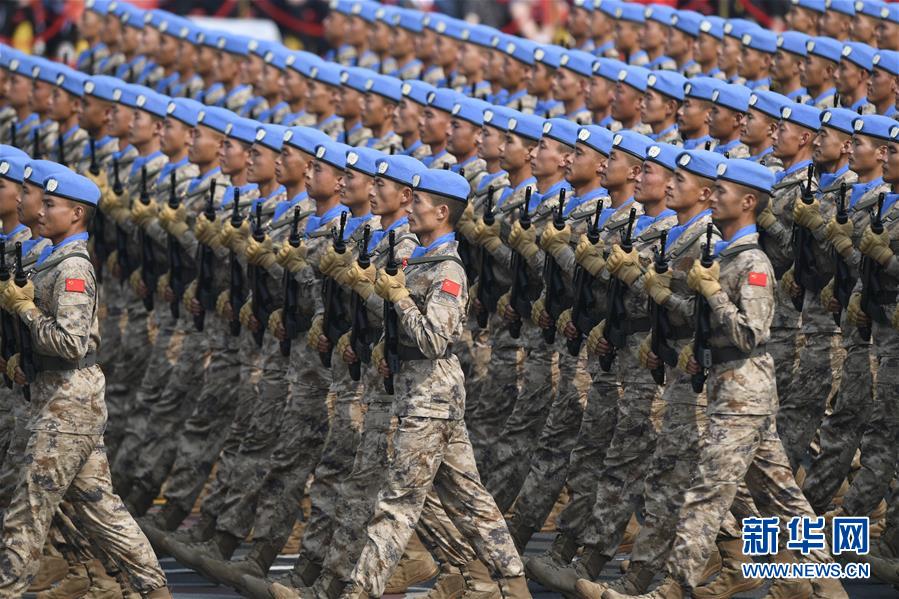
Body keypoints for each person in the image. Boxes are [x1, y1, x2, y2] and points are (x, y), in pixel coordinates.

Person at [603, 158, 848, 599]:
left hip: (742, 394)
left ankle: (673, 587)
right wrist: (673, 309)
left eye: (721, 192)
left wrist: (713, 292)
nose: (712, 198)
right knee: (783, 499)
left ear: (748, 201)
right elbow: (704, 319)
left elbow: (751, 334)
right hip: (729, 389)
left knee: (706, 493)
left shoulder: (753, 261)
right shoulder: (726, 256)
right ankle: (825, 585)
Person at [338, 167, 530, 599]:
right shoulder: (420, 259)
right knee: (470, 500)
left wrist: (400, 298)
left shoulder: (448, 269)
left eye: (419, 202)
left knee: (397, 504)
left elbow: (433, 339)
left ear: (442, 212)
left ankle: (360, 591)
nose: (410, 208)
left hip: (430, 397)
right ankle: (515, 586)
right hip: (418, 394)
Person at [0, 167, 171, 598]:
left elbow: (71, 342)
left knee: (28, 509)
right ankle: (154, 590)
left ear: (76, 213)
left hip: (67, 402)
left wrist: (25, 311)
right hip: (59, 397)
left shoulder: (73, 266)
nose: (40, 211)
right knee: (100, 509)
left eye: (50, 204)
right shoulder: (55, 259)